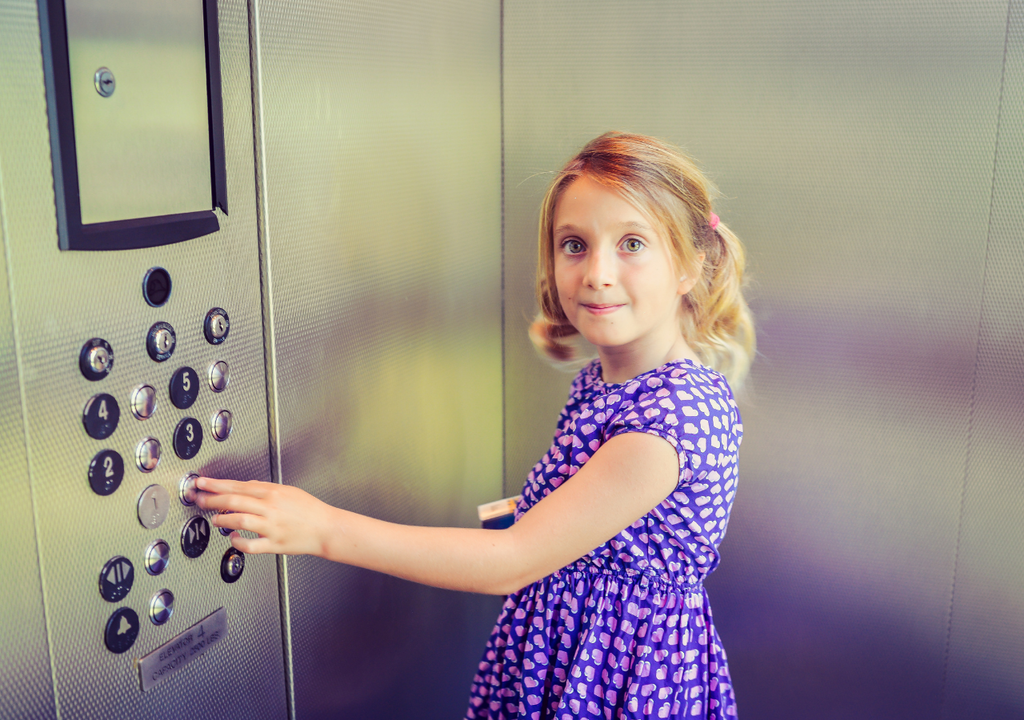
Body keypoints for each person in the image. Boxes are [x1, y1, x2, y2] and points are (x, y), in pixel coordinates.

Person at [197, 131, 754, 719]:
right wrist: (534, 506)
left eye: (632, 243)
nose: (597, 272)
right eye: (574, 245)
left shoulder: (666, 422)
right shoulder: (610, 381)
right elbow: (611, 527)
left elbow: (516, 561)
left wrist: (323, 529)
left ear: (692, 265)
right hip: (564, 660)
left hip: (614, 686)